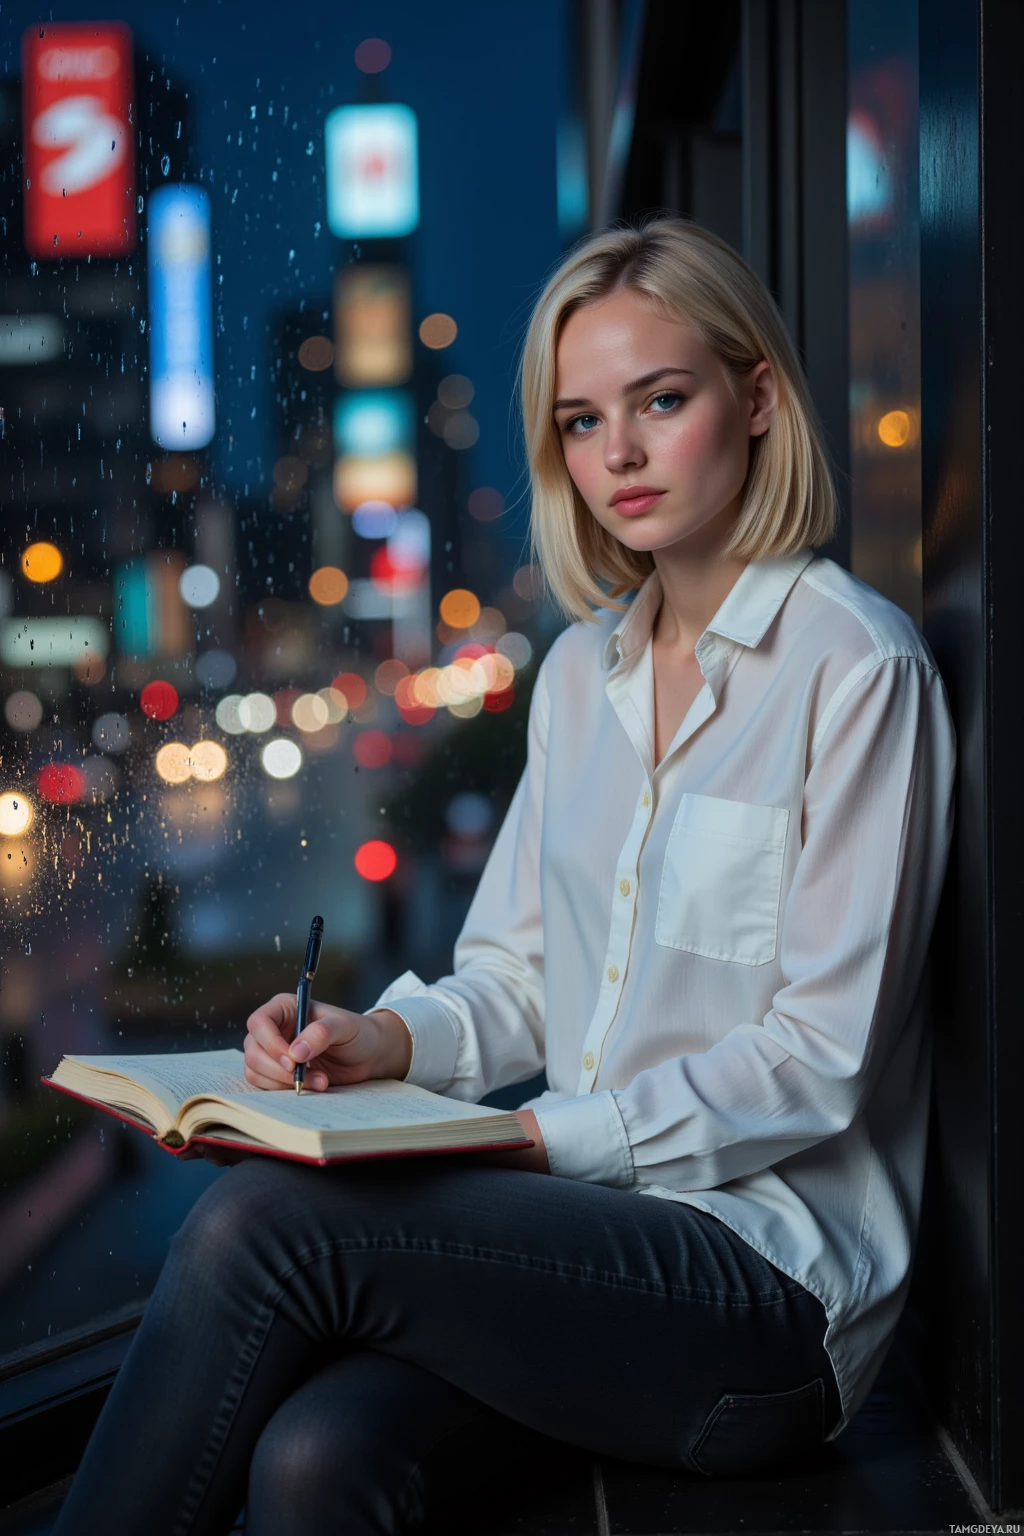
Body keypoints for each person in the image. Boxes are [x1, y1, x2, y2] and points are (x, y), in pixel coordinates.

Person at [53, 216, 956, 1535]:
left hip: (769, 1298)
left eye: (662, 400)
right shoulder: (584, 680)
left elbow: (820, 1058)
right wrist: (385, 1037)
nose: (622, 456)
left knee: (263, 1224)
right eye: (583, 422)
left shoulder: (857, 672)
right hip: (593, 1257)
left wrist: (542, 1140)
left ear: (757, 398)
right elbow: (518, 978)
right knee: (315, 1460)